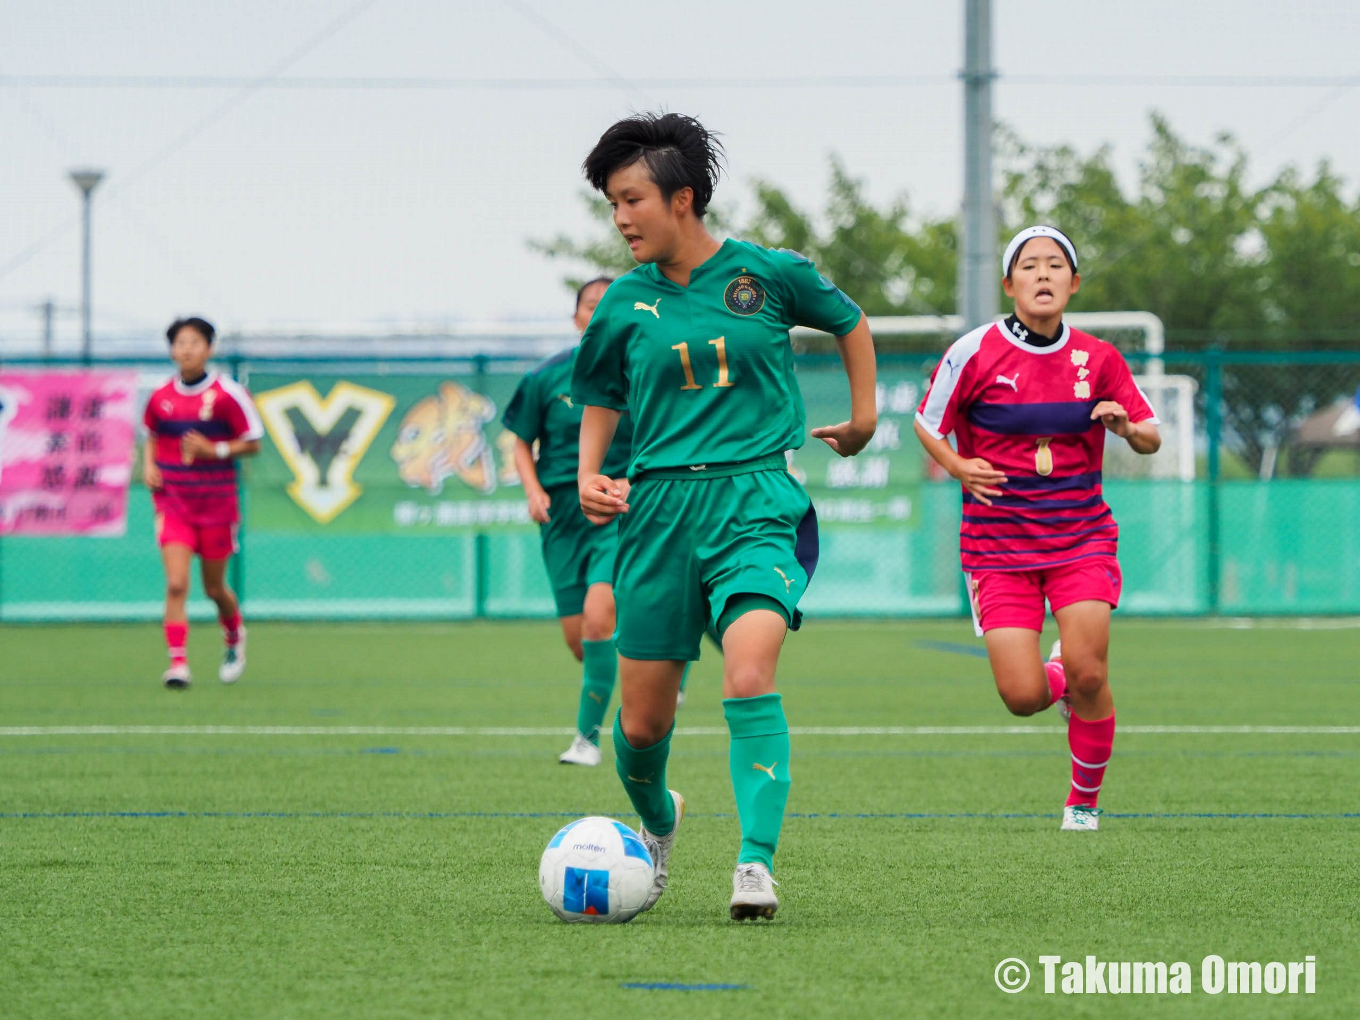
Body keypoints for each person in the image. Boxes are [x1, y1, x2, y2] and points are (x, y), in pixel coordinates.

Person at [571, 112, 877, 920]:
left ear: (683, 198)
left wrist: (865, 417)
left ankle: (755, 865)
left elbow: (850, 320)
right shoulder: (624, 301)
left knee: (750, 670)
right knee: (639, 728)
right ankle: (659, 821)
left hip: (754, 503)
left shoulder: (767, 276)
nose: (620, 217)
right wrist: (587, 474)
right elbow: (598, 392)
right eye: (611, 204)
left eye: (631, 198)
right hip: (658, 513)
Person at [913, 226, 1161, 832]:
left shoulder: (1100, 359)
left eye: (1056, 266)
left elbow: (1152, 436)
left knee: (1091, 672)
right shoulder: (973, 352)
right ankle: (1056, 674)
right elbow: (927, 422)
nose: (1043, 275)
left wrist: (1125, 426)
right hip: (996, 550)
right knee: (1023, 697)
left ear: (1073, 284)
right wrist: (956, 465)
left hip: (1082, 540)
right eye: (1030, 266)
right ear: (1010, 283)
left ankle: (1083, 802)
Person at [142, 317, 263, 689]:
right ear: (172, 350)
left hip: (216, 506)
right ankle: (178, 665)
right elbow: (151, 433)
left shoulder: (228, 395)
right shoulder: (161, 397)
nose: (187, 349)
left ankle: (233, 637)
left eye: (195, 342)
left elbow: (253, 442)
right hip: (174, 503)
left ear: (209, 349)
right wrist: (149, 465)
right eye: (180, 342)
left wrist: (215, 450)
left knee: (214, 589)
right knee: (177, 584)